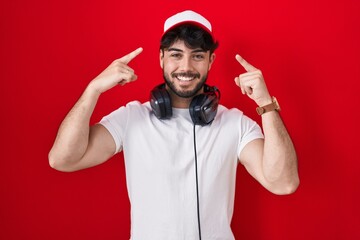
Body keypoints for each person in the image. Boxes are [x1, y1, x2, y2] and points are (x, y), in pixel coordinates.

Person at [49, 10, 299, 240]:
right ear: (161, 58)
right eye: (176, 55)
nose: (186, 67)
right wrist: (93, 90)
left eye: (197, 56)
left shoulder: (234, 123)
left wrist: (265, 103)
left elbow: (284, 183)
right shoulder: (131, 118)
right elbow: (62, 159)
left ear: (211, 60)